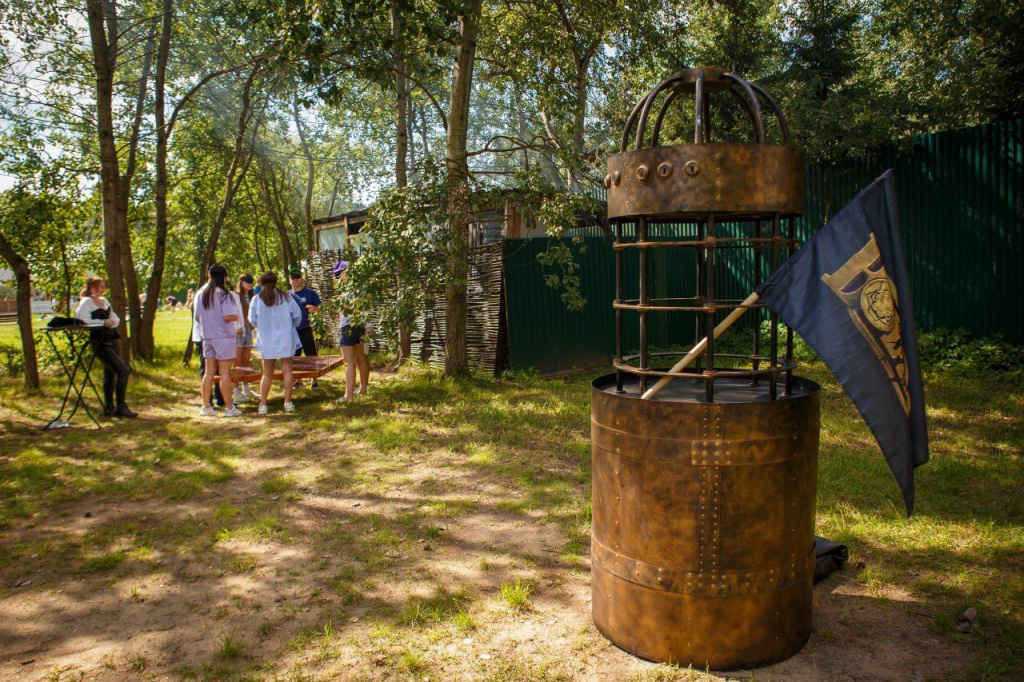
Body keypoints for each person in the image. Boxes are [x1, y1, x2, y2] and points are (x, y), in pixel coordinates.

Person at [74, 276, 137, 418]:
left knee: (110, 375)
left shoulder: (104, 301)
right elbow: (82, 320)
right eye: (100, 287)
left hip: (111, 338)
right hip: (100, 341)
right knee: (123, 371)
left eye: (104, 287)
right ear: (91, 288)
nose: (103, 289)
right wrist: (103, 322)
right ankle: (121, 406)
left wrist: (111, 322)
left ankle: (109, 408)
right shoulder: (87, 302)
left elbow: (116, 319)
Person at [249, 271, 302, 415]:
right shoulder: (286, 296)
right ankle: (288, 402)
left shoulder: (257, 299)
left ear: (260, 282)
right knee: (287, 370)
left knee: (267, 373)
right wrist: (289, 326)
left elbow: (252, 319)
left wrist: (261, 326)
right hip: (286, 337)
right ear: (276, 281)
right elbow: (297, 315)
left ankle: (263, 404)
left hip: (267, 338)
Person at [194, 264, 241, 417]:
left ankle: (206, 406)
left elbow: (197, 317)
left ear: (209, 276)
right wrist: (235, 317)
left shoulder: (201, 294)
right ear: (224, 277)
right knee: (225, 374)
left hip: (207, 336)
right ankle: (229, 408)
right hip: (224, 337)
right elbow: (228, 316)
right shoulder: (224, 294)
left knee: (208, 373)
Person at [330, 261, 370, 402]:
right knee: (362, 359)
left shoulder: (348, 290)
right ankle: (363, 389)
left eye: (338, 274)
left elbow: (349, 308)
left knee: (349, 362)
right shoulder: (362, 286)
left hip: (348, 327)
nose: (337, 278)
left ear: (345, 272)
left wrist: (340, 307)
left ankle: (349, 395)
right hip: (362, 325)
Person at [288, 269, 321, 389]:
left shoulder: (310, 293)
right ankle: (298, 380)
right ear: (289, 280)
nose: (295, 279)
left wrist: (314, 309)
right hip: (292, 330)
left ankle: (314, 379)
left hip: (307, 327)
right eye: (293, 277)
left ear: (302, 278)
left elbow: (321, 308)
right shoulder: (287, 295)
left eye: (297, 276)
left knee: (311, 354)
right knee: (294, 356)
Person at [233, 273, 256, 403]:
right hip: (238, 330)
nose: (249, 284)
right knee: (238, 361)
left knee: (247, 360)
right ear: (241, 282)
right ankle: (236, 391)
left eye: (251, 282)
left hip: (248, 330)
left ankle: (245, 388)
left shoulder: (252, 296)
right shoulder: (236, 296)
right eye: (247, 281)